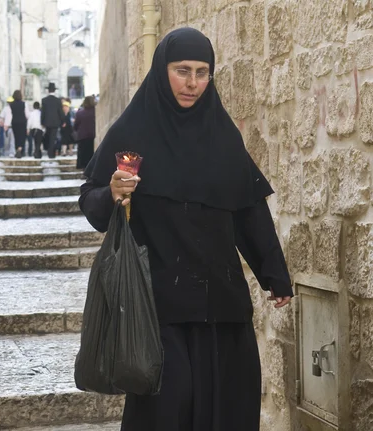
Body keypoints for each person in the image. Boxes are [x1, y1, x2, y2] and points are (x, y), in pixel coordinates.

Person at [79, 28, 293, 431]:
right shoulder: (132, 132)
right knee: (167, 412)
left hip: (222, 304)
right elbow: (90, 204)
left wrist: (274, 275)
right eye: (182, 71)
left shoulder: (223, 135)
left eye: (202, 72)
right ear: (163, 71)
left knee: (228, 408)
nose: (193, 83)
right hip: (160, 306)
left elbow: (248, 210)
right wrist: (111, 192)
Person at [41, 82, 66, 158]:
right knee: (53, 137)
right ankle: (51, 153)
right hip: (55, 122)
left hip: (47, 122)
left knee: (48, 137)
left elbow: (43, 112)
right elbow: (60, 112)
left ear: (48, 90)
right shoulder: (58, 100)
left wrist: (42, 122)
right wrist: (63, 121)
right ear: (54, 90)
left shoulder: (44, 100)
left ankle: (49, 151)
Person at [73, 95, 96, 169]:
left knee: (83, 155)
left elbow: (76, 125)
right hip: (93, 136)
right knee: (91, 154)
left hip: (82, 136)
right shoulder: (95, 112)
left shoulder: (79, 113)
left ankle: (84, 170)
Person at [10, 90, 28, 158]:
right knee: (22, 137)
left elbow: (10, 114)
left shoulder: (11, 104)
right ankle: (20, 150)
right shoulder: (24, 103)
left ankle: (17, 149)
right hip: (22, 122)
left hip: (14, 122)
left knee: (16, 137)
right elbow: (27, 114)